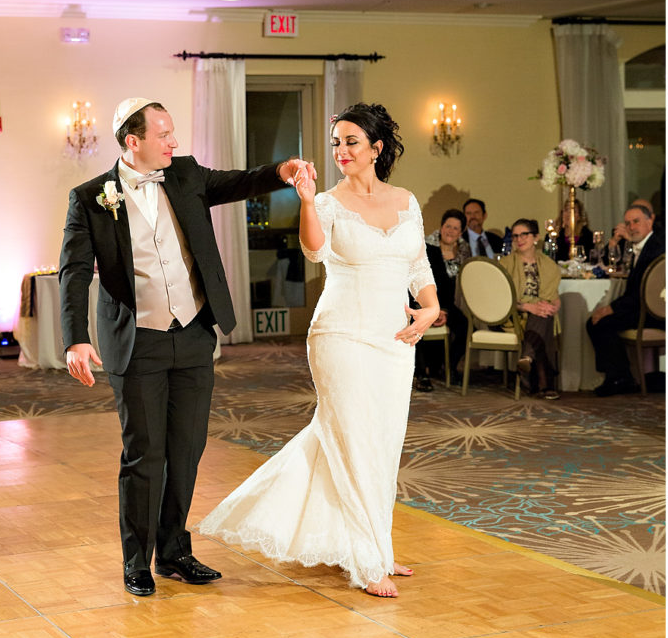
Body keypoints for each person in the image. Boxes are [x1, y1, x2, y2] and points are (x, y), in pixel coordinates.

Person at [59, 97, 315, 597]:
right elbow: (73, 274)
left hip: (194, 335)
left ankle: (174, 551)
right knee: (144, 454)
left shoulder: (186, 174)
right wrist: (75, 338)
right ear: (133, 142)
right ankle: (136, 560)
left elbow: (237, 182)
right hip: (138, 343)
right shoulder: (90, 198)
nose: (174, 143)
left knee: (187, 449)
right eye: (164, 135)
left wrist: (280, 170)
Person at [198, 103, 439, 598]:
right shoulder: (327, 201)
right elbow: (314, 251)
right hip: (341, 335)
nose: (341, 151)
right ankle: (365, 560)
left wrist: (430, 309)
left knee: (382, 443)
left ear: (376, 148)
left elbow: (418, 265)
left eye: (352, 141)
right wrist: (307, 201)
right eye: (335, 143)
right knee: (352, 440)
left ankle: (378, 545)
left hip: (395, 340)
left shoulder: (406, 200)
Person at [587, 204, 665, 396]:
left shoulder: (656, 248)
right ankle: (621, 375)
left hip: (655, 313)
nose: (631, 227)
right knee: (599, 321)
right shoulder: (643, 245)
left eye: (636, 221)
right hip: (643, 306)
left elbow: (641, 293)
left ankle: (619, 378)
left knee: (598, 323)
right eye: (628, 223)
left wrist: (610, 308)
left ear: (650, 220)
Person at [499, 219, 561, 400]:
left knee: (544, 315)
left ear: (536, 237)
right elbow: (501, 298)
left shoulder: (549, 265)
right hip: (514, 315)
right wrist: (528, 306)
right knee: (542, 317)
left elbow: (554, 297)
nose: (519, 239)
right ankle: (546, 384)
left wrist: (553, 306)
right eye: (515, 236)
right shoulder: (505, 264)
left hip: (539, 313)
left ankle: (527, 359)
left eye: (523, 234)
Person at [414, 208, 469, 391]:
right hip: (424, 301)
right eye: (448, 226)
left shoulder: (464, 250)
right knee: (417, 322)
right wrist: (433, 309)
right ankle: (421, 374)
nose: (450, 231)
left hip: (447, 304)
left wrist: (444, 310)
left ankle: (450, 367)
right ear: (441, 227)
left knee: (465, 325)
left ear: (460, 232)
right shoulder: (427, 247)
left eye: (455, 228)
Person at [554, 196, 594, 262]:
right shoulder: (556, 235)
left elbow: (589, 259)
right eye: (566, 210)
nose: (569, 214)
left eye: (573, 211)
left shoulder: (587, 235)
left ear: (579, 216)